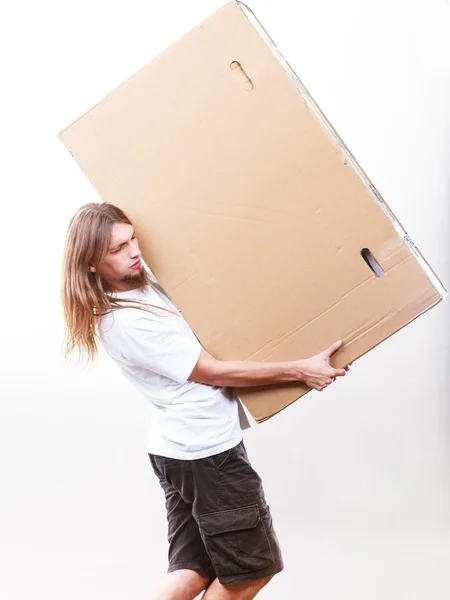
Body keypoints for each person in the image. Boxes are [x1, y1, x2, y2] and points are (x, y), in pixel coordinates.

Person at [61, 202, 350, 600]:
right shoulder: (126, 321)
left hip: (182, 450)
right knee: (251, 572)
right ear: (91, 263)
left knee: (193, 570)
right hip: (205, 455)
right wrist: (300, 369)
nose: (133, 251)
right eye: (118, 249)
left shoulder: (139, 286)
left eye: (132, 239)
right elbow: (212, 372)